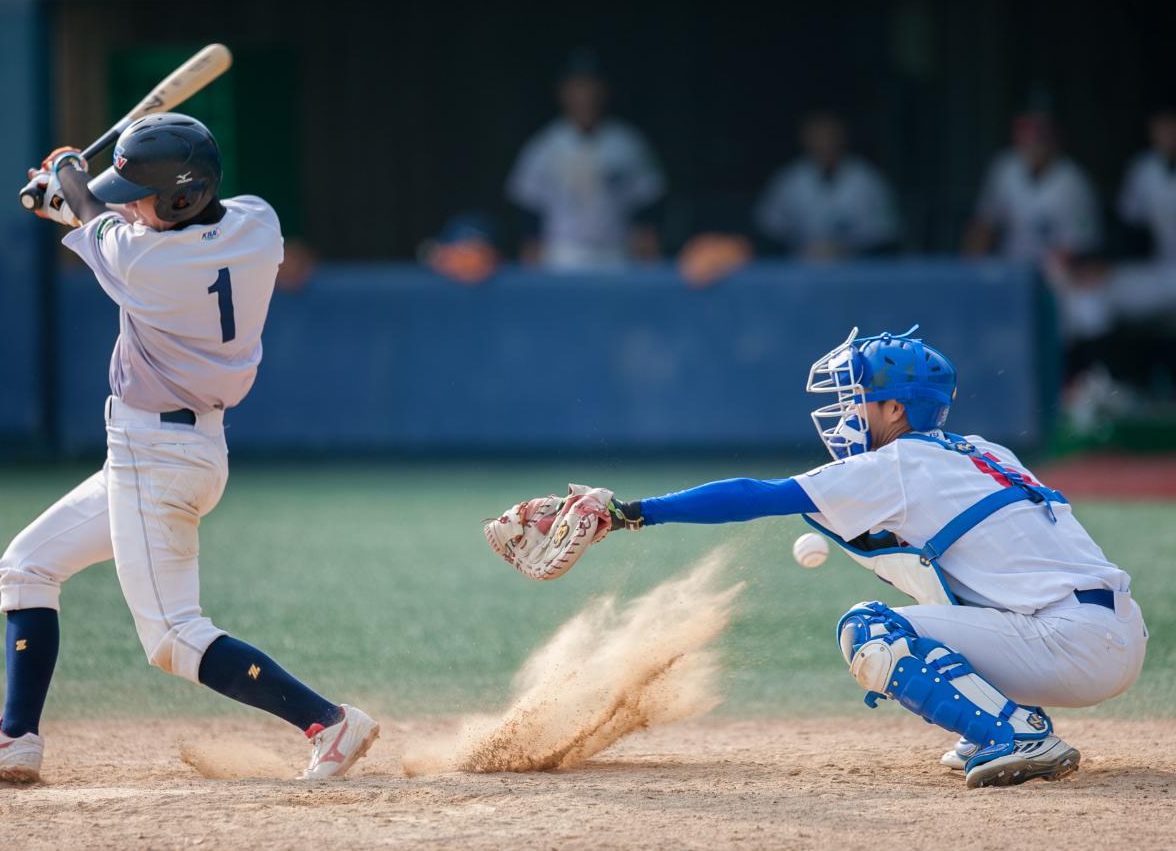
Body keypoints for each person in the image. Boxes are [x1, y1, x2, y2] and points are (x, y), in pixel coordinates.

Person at [491, 326, 1147, 789]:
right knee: (929, 589)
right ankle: (998, 723)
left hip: (1068, 641)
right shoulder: (982, 450)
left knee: (870, 628)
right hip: (1111, 629)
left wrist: (633, 511)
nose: (848, 408)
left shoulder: (897, 465)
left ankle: (1017, 731)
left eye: (860, 395)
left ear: (895, 409)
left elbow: (756, 494)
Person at [0, 114, 379, 783]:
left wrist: (65, 178)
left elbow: (100, 221)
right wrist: (70, 197)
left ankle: (330, 721)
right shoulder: (259, 223)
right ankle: (16, 734)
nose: (129, 203)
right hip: (172, 449)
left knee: (173, 636)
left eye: (141, 193)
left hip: (157, 459)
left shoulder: (146, 262)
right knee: (27, 565)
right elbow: (105, 221)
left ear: (179, 198)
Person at [506, 50, 665, 272]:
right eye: (577, 87)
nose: (585, 95)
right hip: (561, 258)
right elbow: (529, 218)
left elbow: (646, 214)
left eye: (591, 86)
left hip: (617, 257)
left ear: (604, 90)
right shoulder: (543, 146)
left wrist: (648, 267)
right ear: (563, 91)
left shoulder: (628, 144)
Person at [754, 112, 900, 259]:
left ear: (843, 139)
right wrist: (803, 250)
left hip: (857, 268)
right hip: (797, 267)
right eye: (818, 136)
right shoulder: (788, 179)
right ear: (805, 139)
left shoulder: (868, 180)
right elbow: (770, 230)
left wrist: (844, 251)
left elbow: (883, 235)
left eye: (831, 136)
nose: (825, 142)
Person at [964, 111, 1101, 263]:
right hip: (1012, 267)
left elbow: (1082, 245)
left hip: (1058, 272)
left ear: (1054, 140)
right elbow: (983, 225)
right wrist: (972, 268)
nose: (1033, 144)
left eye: (1040, 137)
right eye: (1027, 136)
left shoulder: (1075, 182)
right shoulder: (1005, 168)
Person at [1117, 106, 1176, 264]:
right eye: (1162, 128)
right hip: (1160, 263)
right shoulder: (1142, 167)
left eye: (1172, 127)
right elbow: (1130, 219)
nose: (1168, 134)